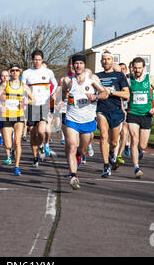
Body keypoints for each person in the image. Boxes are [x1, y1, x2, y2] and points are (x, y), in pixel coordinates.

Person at [61, 54, 108, 189]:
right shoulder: (67, 80)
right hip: (72, 119)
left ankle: (80, 156)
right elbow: (63, 94)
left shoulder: (91, 79)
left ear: (84, 65)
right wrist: (61, 101)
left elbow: (104, 93)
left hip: (87, 120)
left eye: (81, 63)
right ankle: (74, 176)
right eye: (76, 63)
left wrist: (96, 96)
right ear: (72, 65)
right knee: (72, 146)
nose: (78, 66)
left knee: (82, 150)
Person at [0, 63, 34, 176]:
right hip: (6, 116)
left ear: (19, 72)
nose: (15, 72)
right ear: (10, 72)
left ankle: (17, 166)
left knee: (17, 142)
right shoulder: (5, 84)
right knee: (8, 144)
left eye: (17, 70)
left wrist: (26, 102)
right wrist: (0, 106)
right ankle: (10, 151)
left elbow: (32, 99)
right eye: (12, 70)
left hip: (19, 116)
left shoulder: (23, 85)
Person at [127, 57, 154, 179]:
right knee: (134, 138)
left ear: (143, 68)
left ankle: (140, 150)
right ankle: (136, 167)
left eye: (139, 68)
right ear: (132, 67)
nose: (137, 70)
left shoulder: (150, 79)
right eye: (135, 68)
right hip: (133, 113)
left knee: (142, 145)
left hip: (146, 114)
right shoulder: (129, 80)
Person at [96, 51, 130, 178]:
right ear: (101, 62)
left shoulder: (120, 76)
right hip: (101, 109)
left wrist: (112, 92)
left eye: (109, 59)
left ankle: (112, 153)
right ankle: (105, 166)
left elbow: (126, 94)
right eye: (104, 59)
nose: (106, 61)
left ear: (112, 61)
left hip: (115, 110)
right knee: (104, 136)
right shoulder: (97, 76)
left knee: (114, 142)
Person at [21, 50, 57, 167]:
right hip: (31, 105)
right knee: (32, 133)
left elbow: (55, 84)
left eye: (39, 60)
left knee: (41, 130)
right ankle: (35, 157)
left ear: (42, 60)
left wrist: (53, 94)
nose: (37, 62)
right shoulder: (27, 73)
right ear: (32, 60)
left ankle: (41, 146)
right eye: (35, 60)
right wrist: (25, 97)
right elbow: (22, 86)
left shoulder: (48, 72)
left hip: (43, 105)